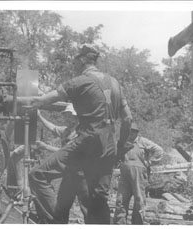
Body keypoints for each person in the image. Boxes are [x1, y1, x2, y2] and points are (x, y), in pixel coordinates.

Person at [23, 44, 132, 224]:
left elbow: (44, 99)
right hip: (110, 144)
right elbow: (127, 119)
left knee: (37, 174)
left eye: (75, 60)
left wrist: (29, 102)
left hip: (88, 140)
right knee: (99, 198)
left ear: (82, 60)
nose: (74, 64)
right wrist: (120, 147)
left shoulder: (79, 81)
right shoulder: (115, 83)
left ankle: (57, 220)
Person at [35, 104, 88, 223]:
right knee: (63, 206)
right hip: (68, 175)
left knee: (86, 207)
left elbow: (65, 153)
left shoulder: (80, 133)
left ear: (76, 117)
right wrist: (39, 116)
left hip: (80, 175)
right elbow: (52, 127)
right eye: (66, 116)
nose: (67, 119)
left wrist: (46, 147)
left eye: (70, 116)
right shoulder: (66, 131)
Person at [113, 123, 164, 225]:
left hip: (139, 176)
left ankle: (137, 224)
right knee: (120, 201)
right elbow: (115, 153)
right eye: (129, 131)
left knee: (139, 201)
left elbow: (159, 150)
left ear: (137, 132)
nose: (131, 133)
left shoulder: (143, 141)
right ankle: (119, 224)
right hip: (124, 176)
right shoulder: (122, 142)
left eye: (133, 131)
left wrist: (149, 162)